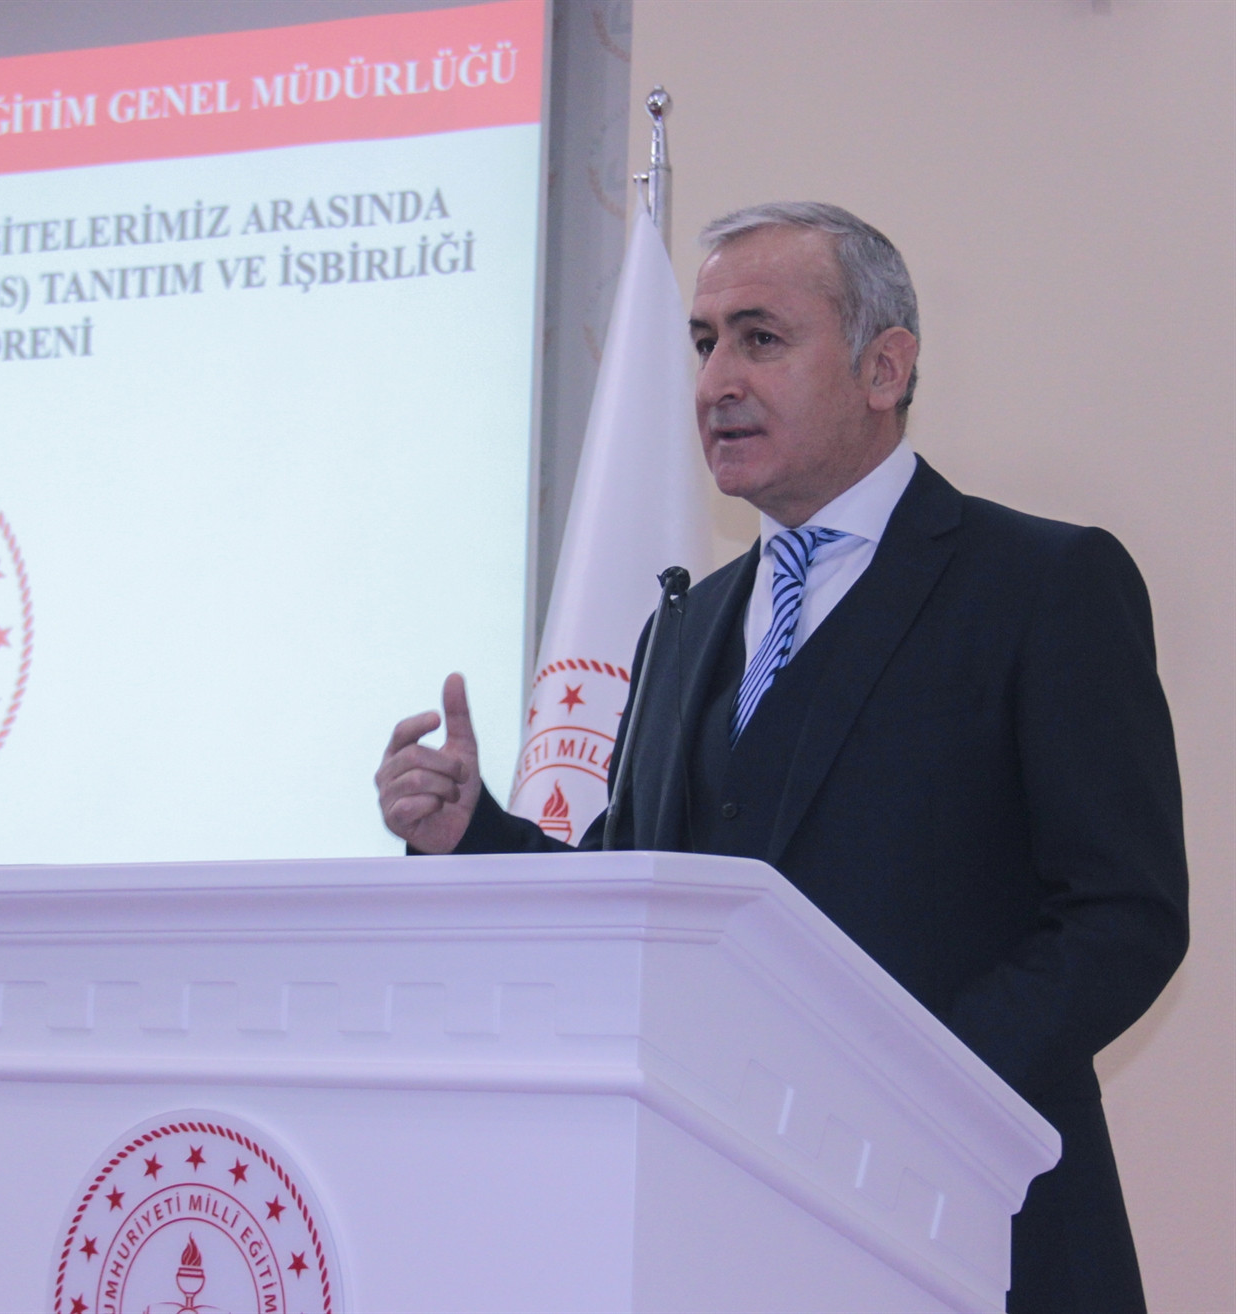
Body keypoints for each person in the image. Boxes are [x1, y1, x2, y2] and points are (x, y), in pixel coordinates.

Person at [373, 202, 1188, 1314]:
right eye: (704, 342)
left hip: (976, 1233)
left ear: (883, 368)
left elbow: (1122, 914)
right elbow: (633, 898)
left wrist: (909, 1088)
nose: (717, 381)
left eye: (760, 338)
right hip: (723, 1231)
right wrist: (471, 832)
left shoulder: (1041, 586)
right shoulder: (684, 626)